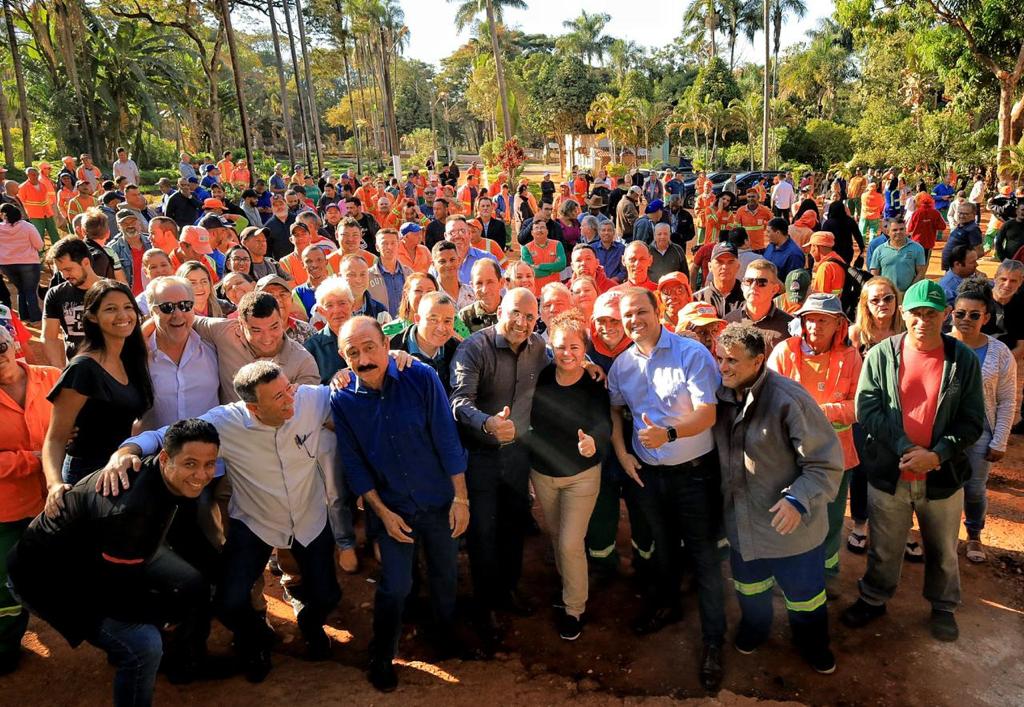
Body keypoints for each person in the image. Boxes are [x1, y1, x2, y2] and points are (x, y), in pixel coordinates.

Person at [99, 362, 341, 681]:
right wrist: (126, 450)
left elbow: (351, 387)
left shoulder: (308, 399)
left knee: (327, 595)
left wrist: (373, 367)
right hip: (255, 524)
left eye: (288, 389)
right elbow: (166, 436)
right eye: (279, 397)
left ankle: (311, 625)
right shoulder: (224, 423)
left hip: (310, 519)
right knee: (229, 601)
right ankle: (255, 641)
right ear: (253, 407)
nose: (290, 400)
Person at [9, 418, 224, 703]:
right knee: (144, 645)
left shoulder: (166, 477)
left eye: (209, 464)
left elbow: (184, 542)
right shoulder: (131, 513)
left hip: (103, 556)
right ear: (164, 459)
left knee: (192, 582)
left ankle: (186, 661)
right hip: (47, 580)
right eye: (191, 464)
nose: (201, 474)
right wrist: (162, 615)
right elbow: (115, 594)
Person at [842, 279, 984, 643]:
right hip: (891, 471)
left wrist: (937, 454)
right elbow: (868, 409)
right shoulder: (881, 355)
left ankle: (943, 606)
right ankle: (874, 598)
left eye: (932, 314)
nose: (923, 321)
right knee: (885, 545)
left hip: (942, 473)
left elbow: (972, 420)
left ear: (946, 315)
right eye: (916, 314)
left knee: (942, 549)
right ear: (904, 314)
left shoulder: (962, 360)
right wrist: (907, 448)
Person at [332, 316, 469, 691]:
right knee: (395, 585)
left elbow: (446, 436)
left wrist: (461, 497)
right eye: (352, 352)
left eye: (370, 347)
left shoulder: (420, 377)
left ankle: (445, 635)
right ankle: (383, 654)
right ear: (343, 357)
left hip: (440, 500)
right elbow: (354, 462)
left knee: (445, 574)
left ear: (387, 347)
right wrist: (382, 513)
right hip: (393, 509)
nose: (363, 359)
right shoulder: (342, 399)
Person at [607, 288, 726, 691]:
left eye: (641, 311)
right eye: (627, 315)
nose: (634, 320)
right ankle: (668, 607)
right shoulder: (621, 365)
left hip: (693, 475)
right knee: (662, 548)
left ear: (659, 312)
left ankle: (713, 642)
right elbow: (615, 409)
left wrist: (670, 432)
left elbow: (708, 413)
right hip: (648, 476)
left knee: (704, 557)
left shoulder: (692, 354)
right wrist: (623, 453)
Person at [713, 322, 842, 675]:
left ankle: (812, 642)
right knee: (750, 588)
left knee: (805, 598)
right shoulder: (719, 396)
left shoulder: (789, 400)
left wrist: (797, 500)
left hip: (792, 528)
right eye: (720, 358)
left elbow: (824, 462)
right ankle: (755, 628)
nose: (723, 367)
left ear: (758, 362)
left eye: (733, 361)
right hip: (744, 524)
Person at [450, 287, 548, 650]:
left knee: (513, 525)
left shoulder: (538, 347)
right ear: (500, 312)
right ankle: (483, 605)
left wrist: (585, 365)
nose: (522, 323)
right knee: (482, 533)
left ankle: (508, 590)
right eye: (515, 314)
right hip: (481, 457)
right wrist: (488, 423)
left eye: (530, 316)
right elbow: (458, 402)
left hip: (517, 454)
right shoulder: (474, 348)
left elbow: (558, 365)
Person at [767, 293, 861, 592]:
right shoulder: (784, 351)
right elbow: (766, 398)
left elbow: (860, 405)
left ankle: (825, 575)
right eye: (810, 319)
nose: (815, 326)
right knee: (786, 516)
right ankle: (783, 574)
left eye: (824, 320)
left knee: (830, 520)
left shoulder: (851, 357)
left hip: (837, 457)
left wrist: (822, 412)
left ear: (838, 324)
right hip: (788, 456)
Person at [526, 311, 610, 641]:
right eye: (561, 347)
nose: (568, 354)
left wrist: (594, 442)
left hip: (582, 476)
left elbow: (604, 423)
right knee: (558, 536)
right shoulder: (542, 377)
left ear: (584, 348)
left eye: (575, 348)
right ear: (551, 347)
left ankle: (573, 607)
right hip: (544, 474)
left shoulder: (593, 382)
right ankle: (568, 584)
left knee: (570, 541)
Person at [42, 279, 153, 506]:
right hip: (85, 475)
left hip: (119, 469)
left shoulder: (130, 360)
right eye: (111, 309)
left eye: (128, 307)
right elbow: (55, 438)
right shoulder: (83, 369)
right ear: (92, 316)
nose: (123, 315)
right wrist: (54, 485)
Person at [0, 326, 60, 674]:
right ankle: (5, 645)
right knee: (4, 584)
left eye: (1, 345)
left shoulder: (51, 378)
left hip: (54, 500)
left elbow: (73, 425)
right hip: (7, 509)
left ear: (14, 343)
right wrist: (37, 457)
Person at [948, 282, 1016, 563]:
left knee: (974, 489)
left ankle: (974, 534)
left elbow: (1007, 399)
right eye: (960, 314)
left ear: (986, 318)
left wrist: (999, 439)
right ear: (951, 314)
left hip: (980, 432)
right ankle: (946, 537)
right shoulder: (940, 345)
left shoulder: (1000, 353)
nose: (966, 320)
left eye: (974, 315)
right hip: (943, 432)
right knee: (944, 489)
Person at [390, 292, 461, 389]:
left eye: (447, 321)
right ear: (417, 319)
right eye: (433, 320)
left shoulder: (459, 350)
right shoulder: (393, 349)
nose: (441, 328)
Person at [724, 259, 794, 351]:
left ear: (774, 289)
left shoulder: (790, 327)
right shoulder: (729, 321)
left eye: (761, 282)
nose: (753, 286)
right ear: (742, 286)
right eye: (748, 281)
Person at [0, 203, 43, 324]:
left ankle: (23, 317)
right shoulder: (27, 226)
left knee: (21, 290)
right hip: (28, 262)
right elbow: (39, 245)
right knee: (30, 290)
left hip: (7, 264)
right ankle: (35, 318)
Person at [868, 215, 926, 294]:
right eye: (895, 230)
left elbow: (921, 272)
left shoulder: (917, 248)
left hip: (909, 294)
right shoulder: (879, 250)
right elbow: (874, 275)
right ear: (888, 232)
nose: (899, 232)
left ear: (905, 230)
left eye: (901, 229)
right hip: (887, 295)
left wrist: (909, 292)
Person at [694, 242, 745, 319]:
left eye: (730, 262)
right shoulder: (697, 300)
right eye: (719, 262)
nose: (724, 266)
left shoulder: (748, 297)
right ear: (710, 266)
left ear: (738, 266)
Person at [368, 228, 411, 317]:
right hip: (381, 327)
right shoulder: (368, 276)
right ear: (377, 247)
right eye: (384, 243)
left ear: (398, 245)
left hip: (406, 325)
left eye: (393, 243)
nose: (389, 247)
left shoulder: (409, 273)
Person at [459, 258, 502, 334]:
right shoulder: (464, 316)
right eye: (479, 283)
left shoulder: (512, 311)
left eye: (490, 282)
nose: (484, 290)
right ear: (472, 286)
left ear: (501, 282)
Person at [821, 200, 865, 267]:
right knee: (845, 269)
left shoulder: (828, 223)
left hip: (832, 252)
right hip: (847, 251)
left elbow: (823, 238)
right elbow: (857, 235)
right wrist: (862, 247)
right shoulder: (850, 221)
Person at [941, 202, 984, 269]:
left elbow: (980, 252)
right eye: (960, 213)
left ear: (973, 214)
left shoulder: (973, 229)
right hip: (952, 268)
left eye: (966, 214)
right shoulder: (961, 225)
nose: (961, 216)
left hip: (959, 270)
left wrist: (963, 264)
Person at [763, 217, 806, 282]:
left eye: (768, 232)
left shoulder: (794, 255)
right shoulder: (771, 245)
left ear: (777, 232)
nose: (766, 234)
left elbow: (793, 283)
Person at [807, 232, 847, 296]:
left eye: (811, 246)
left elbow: (820, 297)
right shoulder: (838, 259)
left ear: (816, 247)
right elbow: (836, 292)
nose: (810, 251)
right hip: (837, 303)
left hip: (827, 305)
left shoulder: (825, 267)